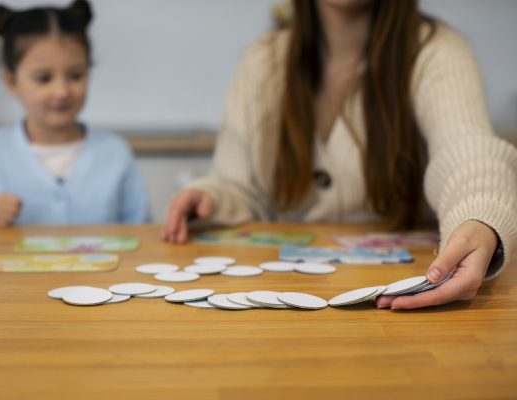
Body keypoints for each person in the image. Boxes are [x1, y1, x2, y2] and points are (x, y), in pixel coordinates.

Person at [163, 0, 517, 309]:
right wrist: (211, 197)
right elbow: (240, 188)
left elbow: (467, 152)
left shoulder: (437, 51)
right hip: (286, 303)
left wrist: (479, 217)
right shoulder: (262, 61)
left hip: (399, 314)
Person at [0, 0, 149, 226]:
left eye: (76, 75)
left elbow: (143, 229)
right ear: (11, 81)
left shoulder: (115, 152)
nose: (61, 92)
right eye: (43, 78)